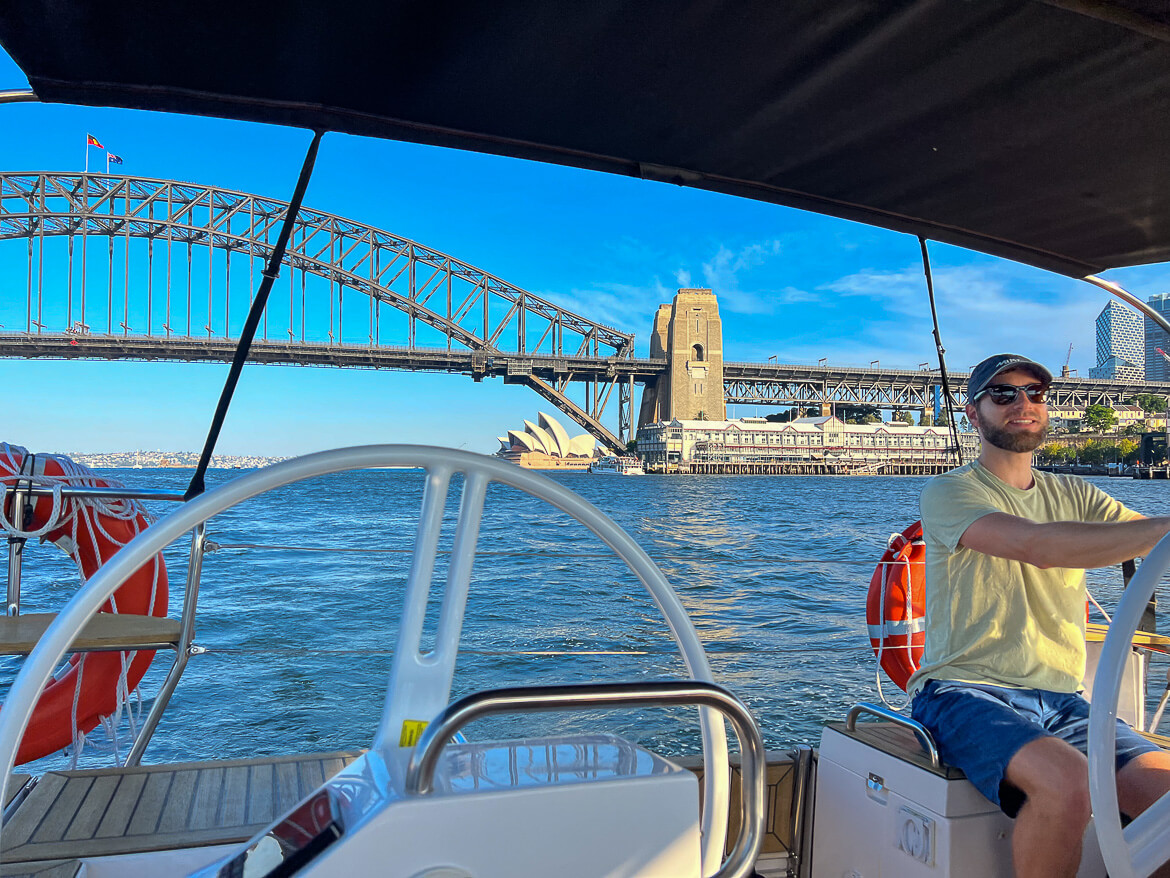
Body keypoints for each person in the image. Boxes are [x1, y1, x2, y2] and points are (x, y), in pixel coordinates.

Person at [907, 353, 1170, 878]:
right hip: (964, 690)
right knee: (1068, 782)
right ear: (972, 411)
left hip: (1064, 699)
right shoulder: (951, 492)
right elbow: (1037, 545)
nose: (1023, 403)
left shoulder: (1072, 492)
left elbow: (1146, 535)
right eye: (1003, 394)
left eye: (1035, 393)